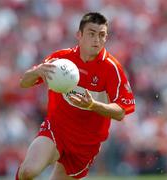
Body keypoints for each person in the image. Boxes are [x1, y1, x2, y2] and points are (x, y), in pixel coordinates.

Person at [16, 12, 135, 180]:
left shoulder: (112, 68)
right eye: (91, 34)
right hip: (56, 130)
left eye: (101, 35)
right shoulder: (60, 59)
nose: (97, 40)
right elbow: (24, 83)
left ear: (106, 37)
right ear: (79, 35)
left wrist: (94, 105)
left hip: (85, 144)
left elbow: (121, 111)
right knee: (27, 172)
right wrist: (36, 71)